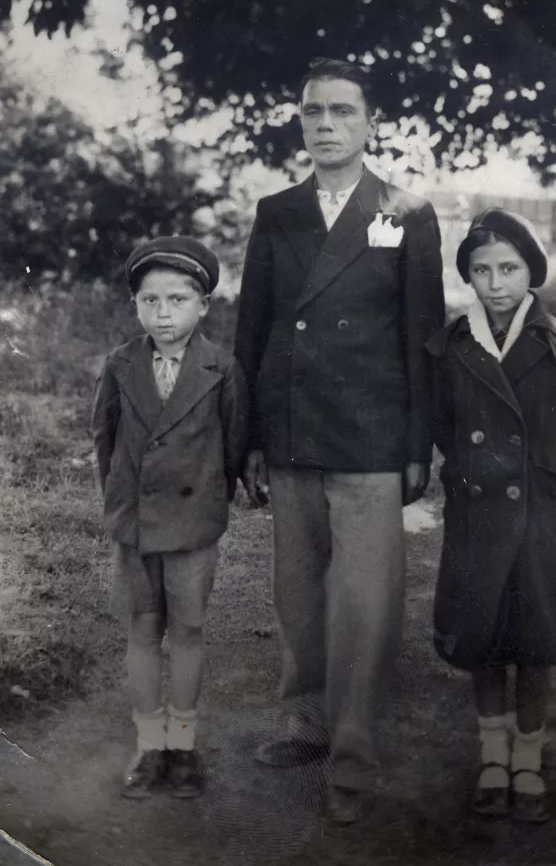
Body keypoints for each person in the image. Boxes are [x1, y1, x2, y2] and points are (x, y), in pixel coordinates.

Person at [234, 58, 444, 823]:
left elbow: (424, 336)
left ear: (369, 123)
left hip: (371, 436)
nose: (326, 124)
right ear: (300, 122)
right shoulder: (276, 211)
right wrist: (248, 438)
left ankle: (353, 754)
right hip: (289, 430)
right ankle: (306, 720)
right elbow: (250, 329)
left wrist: (420, 444)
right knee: (298, 590)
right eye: (313, 111)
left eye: (342, 111)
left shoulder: (406, 211)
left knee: (364, 600)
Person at [426, 208, 556, 823]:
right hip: (477, 511)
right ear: (469, 278)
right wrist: (471, 476)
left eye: (509, 268)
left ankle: (527, 760)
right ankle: (491, 757)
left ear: (531, 271)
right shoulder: (451, 347)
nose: (496, 282)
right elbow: (443, 427)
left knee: (534, 642)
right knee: (483, 639)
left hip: (540, 515)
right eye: (482, 270)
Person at [91, 236, 247, 800]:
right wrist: (121, 505)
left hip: (192, 527)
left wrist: (208, 504)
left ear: (203, 305)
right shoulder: (120, 364)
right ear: (135, 305)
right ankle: (149, 744)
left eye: (178, 299)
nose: (164, 313)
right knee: (141, 631)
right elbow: (105, 442)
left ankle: (183, 743)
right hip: (134, 526)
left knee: (187, 630)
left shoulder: (221, 367)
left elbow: (232, 447)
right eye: (151, 300)